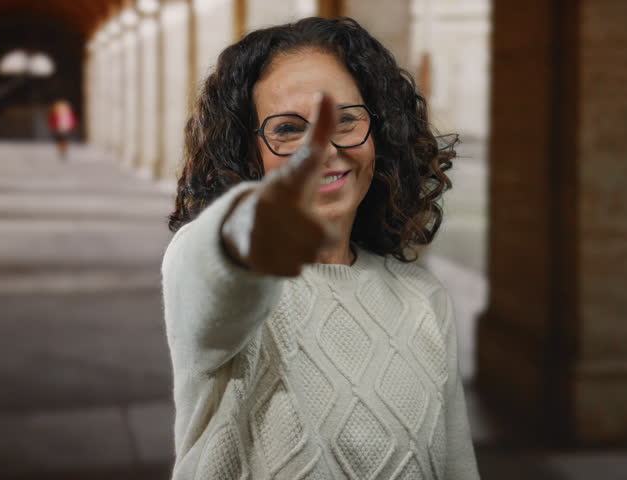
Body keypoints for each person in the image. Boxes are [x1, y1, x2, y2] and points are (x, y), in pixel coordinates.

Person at [162, 17, 479, 479]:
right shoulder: (213, 265)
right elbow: (215, 267)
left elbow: (457, 468)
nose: (324, 149)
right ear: (250, 153)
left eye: (345, 120)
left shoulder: (422, 297)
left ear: (380, 133)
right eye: (289, 130)